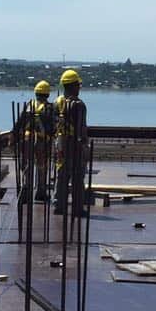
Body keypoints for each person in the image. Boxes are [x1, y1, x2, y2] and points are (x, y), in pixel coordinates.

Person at [53, 68, 89, 217]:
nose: (79, 88)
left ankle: (59, 205)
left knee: (61, 174)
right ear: (73, 85)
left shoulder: (56, 102)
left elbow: (53, 125)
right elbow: (82, 128)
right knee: (77, 176)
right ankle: (77, 208)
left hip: (60, 143)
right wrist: (84, 147)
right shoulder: (79, 105)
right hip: (75, 144)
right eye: (78, 85)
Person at [18, 80, 56, 203]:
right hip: (42, 141)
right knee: (42, 167)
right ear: (48, 94)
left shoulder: (29, 105)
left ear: (36, 93)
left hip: (27, 140)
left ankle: (25, 192)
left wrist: (13, 138)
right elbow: (53, 127)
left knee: (27, 166)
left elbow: (20, 123)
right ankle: (40, 193)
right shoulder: (50, 108)